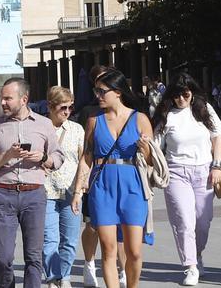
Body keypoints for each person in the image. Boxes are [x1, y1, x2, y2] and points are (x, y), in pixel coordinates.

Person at [72, 69, 155, 288]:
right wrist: (78, 191)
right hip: (103, 186)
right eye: (95, 91)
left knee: (134, 251)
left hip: (132, 186)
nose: (97, 95)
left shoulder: (140, 119)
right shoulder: (93, 121)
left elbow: (152, 160)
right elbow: (87, 157)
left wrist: (146, 150)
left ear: (117, 92)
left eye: (101, 91)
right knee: (108, 249)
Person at [0, 78, 65, 288]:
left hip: (34, 195)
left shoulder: (44, 124)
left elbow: (58, 157)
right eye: (2, 98)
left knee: (33, 256)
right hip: (4, 195)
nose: (3, 103)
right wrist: (8, 154)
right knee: (3, 257)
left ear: (24, 99)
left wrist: (43, 158)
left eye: (8, 98)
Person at [154, 73, 221, 286]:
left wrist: (217, 166)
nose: (181, 99)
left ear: (192, 92)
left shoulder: (204, 110)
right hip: (176, 172)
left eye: (185, 94)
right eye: (176, 95)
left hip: (205, 171)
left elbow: (218, 138)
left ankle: (198, 254)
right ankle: (190, 266)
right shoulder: (166, 115)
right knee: (184, 221)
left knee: (203, 222)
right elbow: (155, 146)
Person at [73, 64, 125, 288]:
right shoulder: (89, 112)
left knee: (121, 227)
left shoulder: (130, 111)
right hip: (97, 179)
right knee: (92, 225)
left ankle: (122, 270)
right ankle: (89, 262)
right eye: (99, 86)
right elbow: (86, 151)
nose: (101, 92)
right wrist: (81, 183)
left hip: (123, 181)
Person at [42, 86, 84, 288]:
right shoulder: (39, 127)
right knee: (50, 239)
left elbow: (84, 159)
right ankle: (52, 277)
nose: (67, 112)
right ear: (51, 106)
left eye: (70, 107)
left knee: (69, 240)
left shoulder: (77, 129)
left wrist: (80, 189)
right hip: (46, 191)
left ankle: (64, 276)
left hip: (71, 191)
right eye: (63, 108)